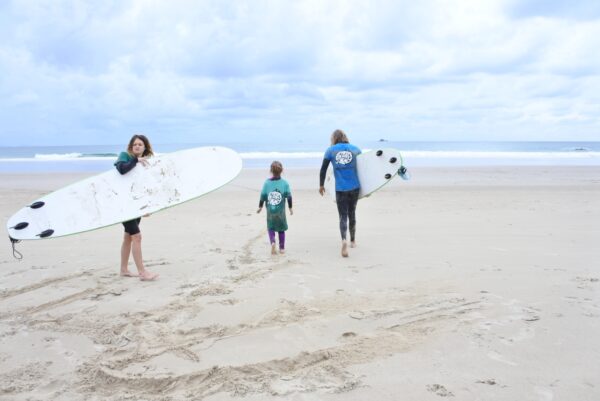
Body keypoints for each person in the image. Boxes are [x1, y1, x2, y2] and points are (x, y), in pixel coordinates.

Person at [114, 134, 159, 281]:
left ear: (145, 147)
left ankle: (124, 270)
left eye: (140, 144)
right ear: (131, 147)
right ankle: (142, 273)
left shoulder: (144, 164)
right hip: (123, 206)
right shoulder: (125, 156)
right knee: (137, 237)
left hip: (135, 205)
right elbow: (121, 169)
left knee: (128, 237)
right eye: (135, 144)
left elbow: (142, 187)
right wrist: (135, 160)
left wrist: (146, 207)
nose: (137, 146)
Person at [319, 129, 361, 257]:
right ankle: (353, 241)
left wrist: (321, 185)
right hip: (354, 187)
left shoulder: (330, 151)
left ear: (334, 139)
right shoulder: (355, 149)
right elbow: (365, 168)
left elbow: (323, 169)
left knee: (343, 216)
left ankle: (344, 240)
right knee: (352, 213)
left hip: (340, 189)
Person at [257, 161, 293, 255]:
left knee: (271, 227)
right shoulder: (285, 183)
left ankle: (273, 242)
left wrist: (260, 207)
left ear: (271, 170)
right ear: (282, 171)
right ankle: (282, 248)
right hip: (281, 212)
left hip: (270, 212)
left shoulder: (267, 183)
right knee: (281, 229)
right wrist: (290, 208)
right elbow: (289, 196)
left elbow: (263, 196)